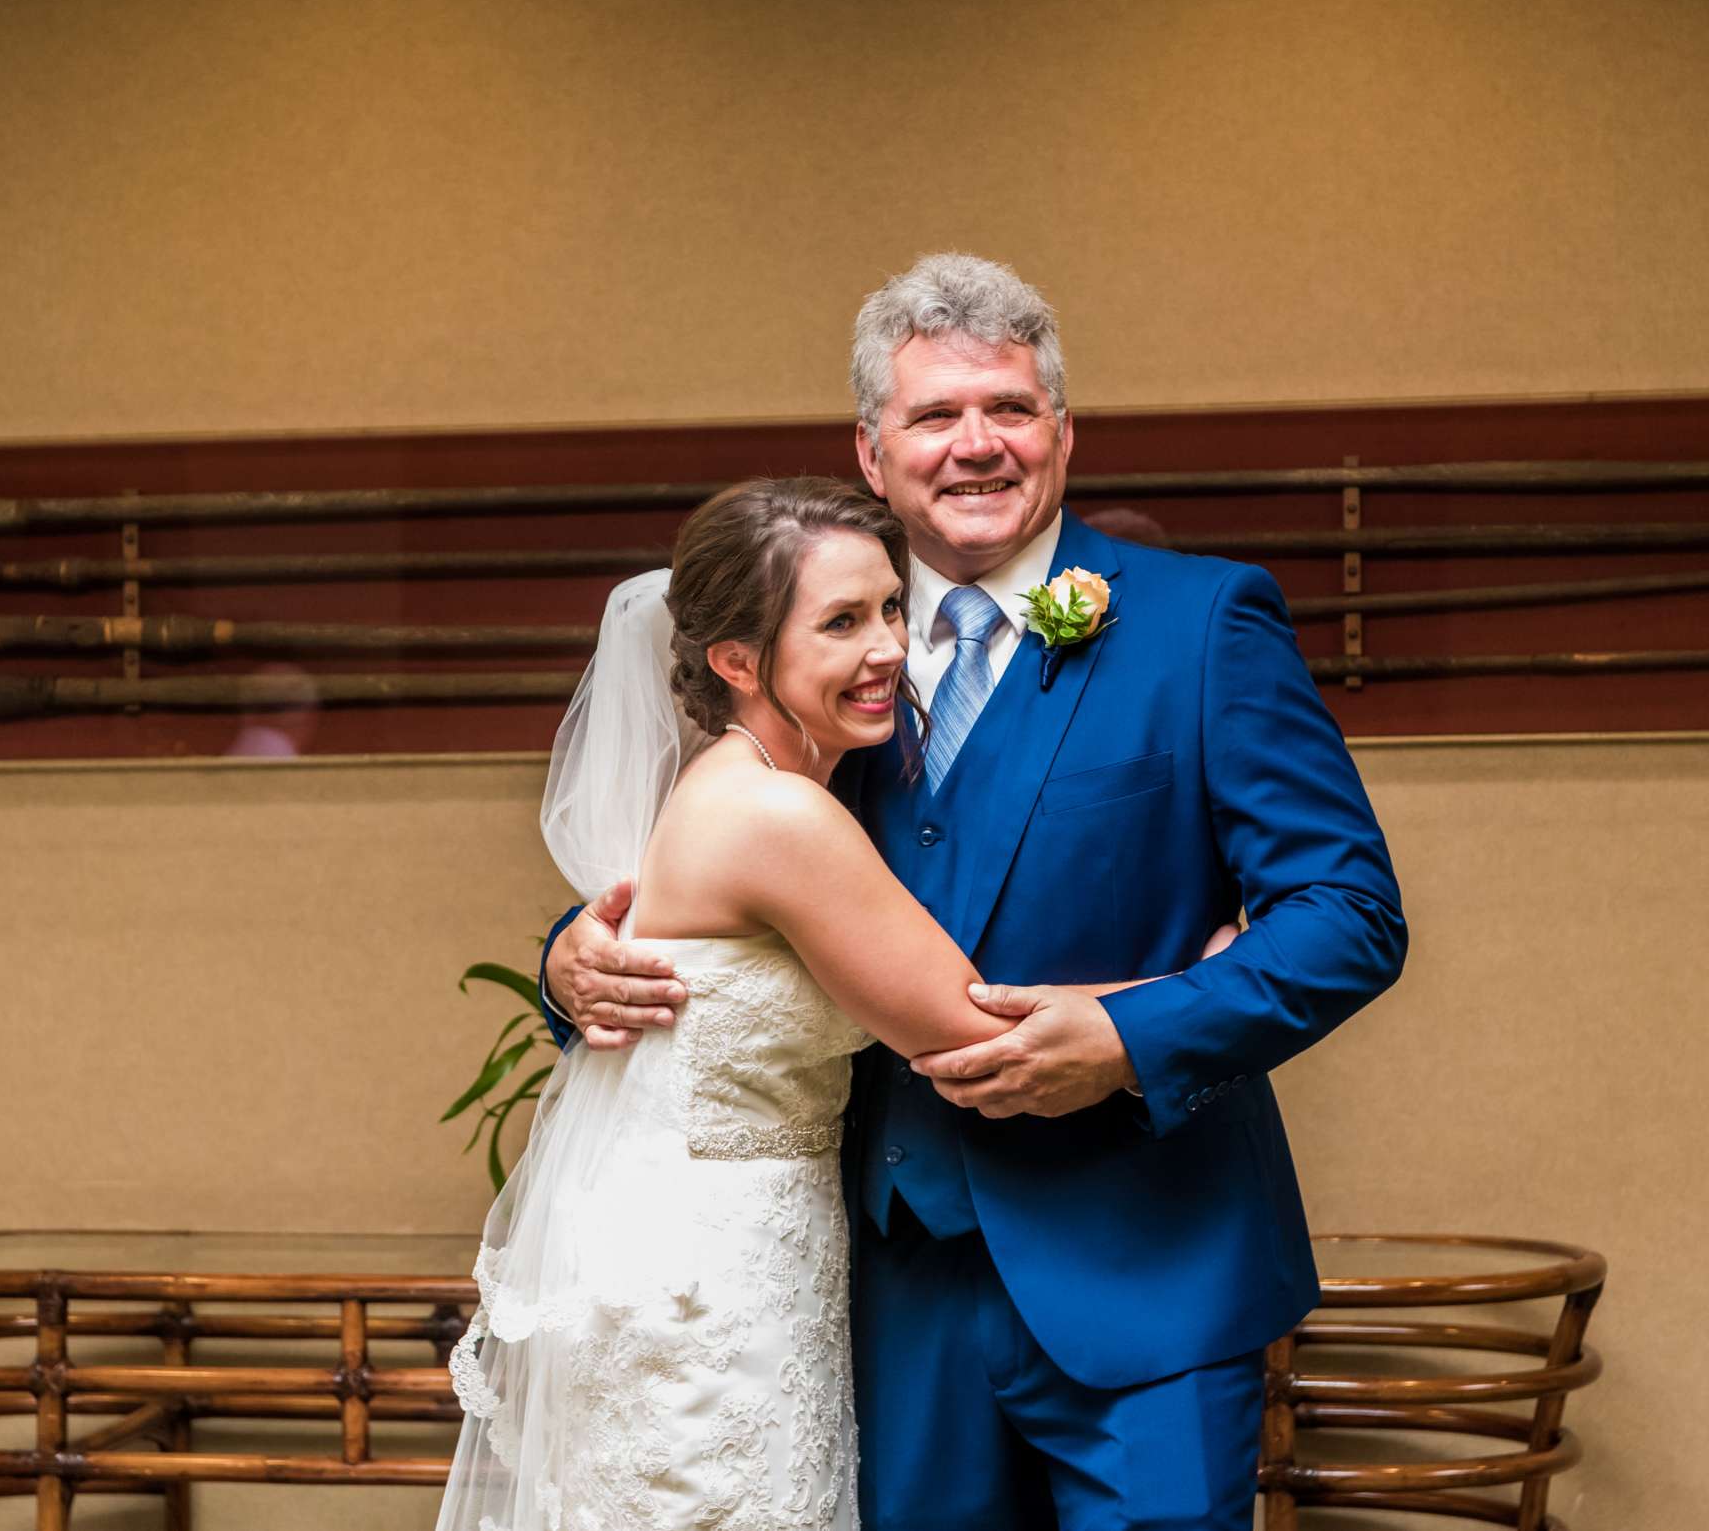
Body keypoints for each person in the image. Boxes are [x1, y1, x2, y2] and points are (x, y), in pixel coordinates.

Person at [541, 253, 1409, 1529]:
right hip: (887, 1290)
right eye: (934, 415)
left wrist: (1130, 1033)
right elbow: (685, 871)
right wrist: (574, 957)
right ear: (872, 449)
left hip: (1147, 1269)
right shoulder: (801, 645)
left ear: (1062, 431)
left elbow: (1351, 915)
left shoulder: (1202, 623)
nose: (976, 444)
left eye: (1009, 408)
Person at [445, 477, 1045, 1530]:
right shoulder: (775, 816)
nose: (890, 649)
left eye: (892, 608)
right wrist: (1202, 970)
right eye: (844, 622)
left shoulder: (750, 780)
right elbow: (972, 1028)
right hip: (713, 1283)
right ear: (733, 659)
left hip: (736, 1250)